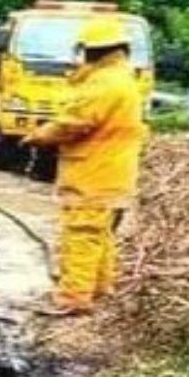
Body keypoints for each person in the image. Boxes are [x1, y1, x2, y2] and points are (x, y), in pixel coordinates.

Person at [23, 16, 147, 316]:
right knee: (99, 235)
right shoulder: (123, 79)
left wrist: (39, 135)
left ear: (94, 51)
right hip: (112, 172)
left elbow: (74, 121)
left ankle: (73, 298)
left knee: (81, 233)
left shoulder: (104, 83)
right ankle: (99, 288)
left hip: (93, 172)